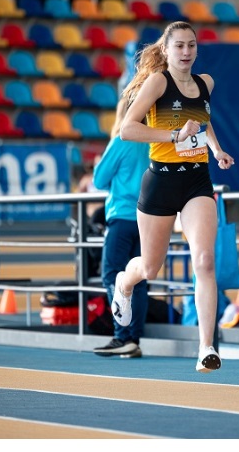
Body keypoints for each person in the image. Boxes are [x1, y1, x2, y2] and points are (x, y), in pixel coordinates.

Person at [110, 21, 234, 373]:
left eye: (191, 45)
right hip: (160, 182)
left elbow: (204, 120)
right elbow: (127, 130)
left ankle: (206, 347)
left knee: (205, 261)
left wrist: (217, 150)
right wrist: (174, 135)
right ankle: (124, 283)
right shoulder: (157, 82)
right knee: (150, 268)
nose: (186, 51)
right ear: (166, 50)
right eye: (179, 45)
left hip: (197, 181)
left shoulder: (206, 83)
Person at [92, 99, 150, 359]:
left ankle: (122, 335)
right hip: (148, 219)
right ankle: (134, 339)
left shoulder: (121, 141)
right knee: (139, 280)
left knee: (112, 275)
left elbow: (99, 179)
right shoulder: (154, 141)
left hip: (122, 217)